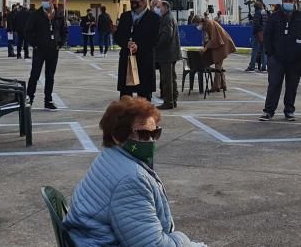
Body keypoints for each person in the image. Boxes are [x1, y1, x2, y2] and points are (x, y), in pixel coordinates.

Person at [62, 97, 203, 247]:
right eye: (142, 134)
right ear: (117, 137)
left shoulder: (109, 156)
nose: (150, 141)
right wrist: (184, 240)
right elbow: (152, 245)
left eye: (155, 133)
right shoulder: (132, 179)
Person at [260, 0, 301, 122]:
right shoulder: (274, 17)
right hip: (277, 58)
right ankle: (268, 111)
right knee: (273, 85)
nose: (288, 2)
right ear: (282, 1)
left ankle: (289, 111)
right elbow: (267, 35)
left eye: (291, 0)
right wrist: (270, 53)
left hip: (295, 59)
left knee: (292, 86)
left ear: (295, 2)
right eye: (286, 0)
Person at [115, 0, 160, 101]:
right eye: (131, 0)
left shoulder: (154, 18)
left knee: (144, 95)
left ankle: (144, 117)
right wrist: (126, 43)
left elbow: (155, 39)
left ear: (144, 2)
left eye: (136, 1)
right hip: (127, 59)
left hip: (144, 60)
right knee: (125, 95)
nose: (133, 3)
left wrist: (139, 46)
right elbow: (118, 36)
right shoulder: (125, 17)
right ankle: (126, 117)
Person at [25, 0, 66, 109]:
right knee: (34, 75)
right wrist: (35, 44)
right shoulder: (36, 14)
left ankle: (48, 100)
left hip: (53, 49)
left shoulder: (58, 14)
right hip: (39, 50)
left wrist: (60, 43)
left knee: (50, 76)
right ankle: (29, 99)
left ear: (52, 0)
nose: (43, 2)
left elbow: (64, 30)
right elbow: (28, 31)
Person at [196, 13, 236, 93]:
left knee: (218, 65)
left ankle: (216, 86)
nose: (196, 26)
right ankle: (223, 85)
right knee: (219, 65)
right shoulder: (206, 25)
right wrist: (205, 46)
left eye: (196, 24)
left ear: (200, 22)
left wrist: (206, 48)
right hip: (220, 43)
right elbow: (209, 39)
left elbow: (214, 39)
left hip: (222, 44)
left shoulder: (210, 24)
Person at [154, 0, 180, 110]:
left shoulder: (167, 18)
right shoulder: (169, 17)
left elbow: (166, 36)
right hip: (171, 53)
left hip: (166, 54)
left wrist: (155, 46)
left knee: (166, 79)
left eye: (159, 7)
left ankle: (168, 101)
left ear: (165, 7)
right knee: (171, 78)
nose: (157, 9)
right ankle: (173, 99)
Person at [246, 0, 269, 72]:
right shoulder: (264, 12)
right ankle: (264, 66)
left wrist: (259, 34)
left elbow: (257, 24)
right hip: (265, 33)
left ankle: (252, 66)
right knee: (264, 51)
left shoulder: (257, 13)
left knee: (255, 51)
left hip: (258, 34)